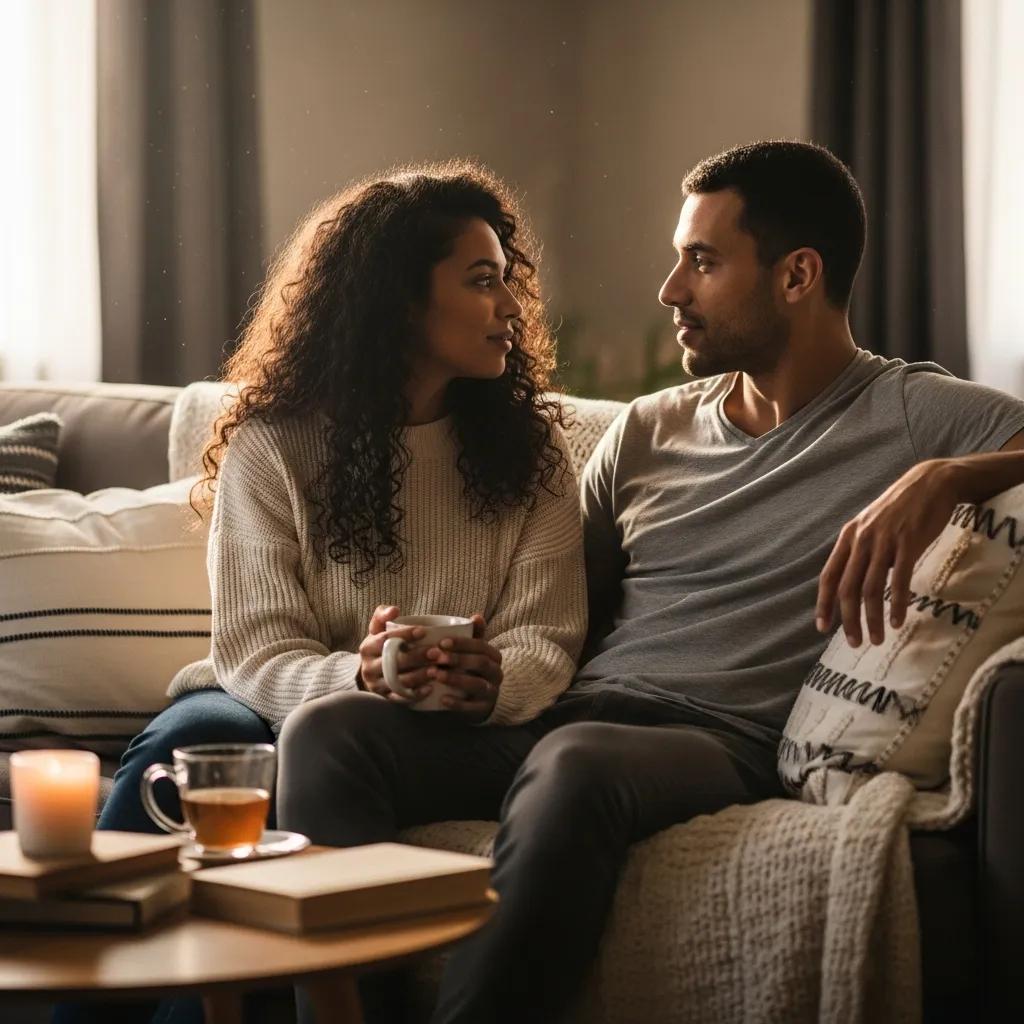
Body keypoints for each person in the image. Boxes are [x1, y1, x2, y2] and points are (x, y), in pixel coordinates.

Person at [278, 139, 1024, 1024]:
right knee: (330, 734)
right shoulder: (644, 431)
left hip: (717, 742)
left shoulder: (914, 417)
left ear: (797, 276)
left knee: (578, 764)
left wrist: (947, 477)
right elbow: (559, 618)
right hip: (573, 718)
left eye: (702, 262)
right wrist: (477, 672)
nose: (671, 290)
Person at [60, 161, 587, 1024]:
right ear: (400, 303)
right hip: (269, 704)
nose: (510, 308)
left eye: (508, 281)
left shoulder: (534, 455)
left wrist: (489, 681)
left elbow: (547, 636)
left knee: (291, 760)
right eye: (482, 281)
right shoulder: (274, 447)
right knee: (195, 746)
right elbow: (255, 651)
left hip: (438, 735)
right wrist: (365, 674)